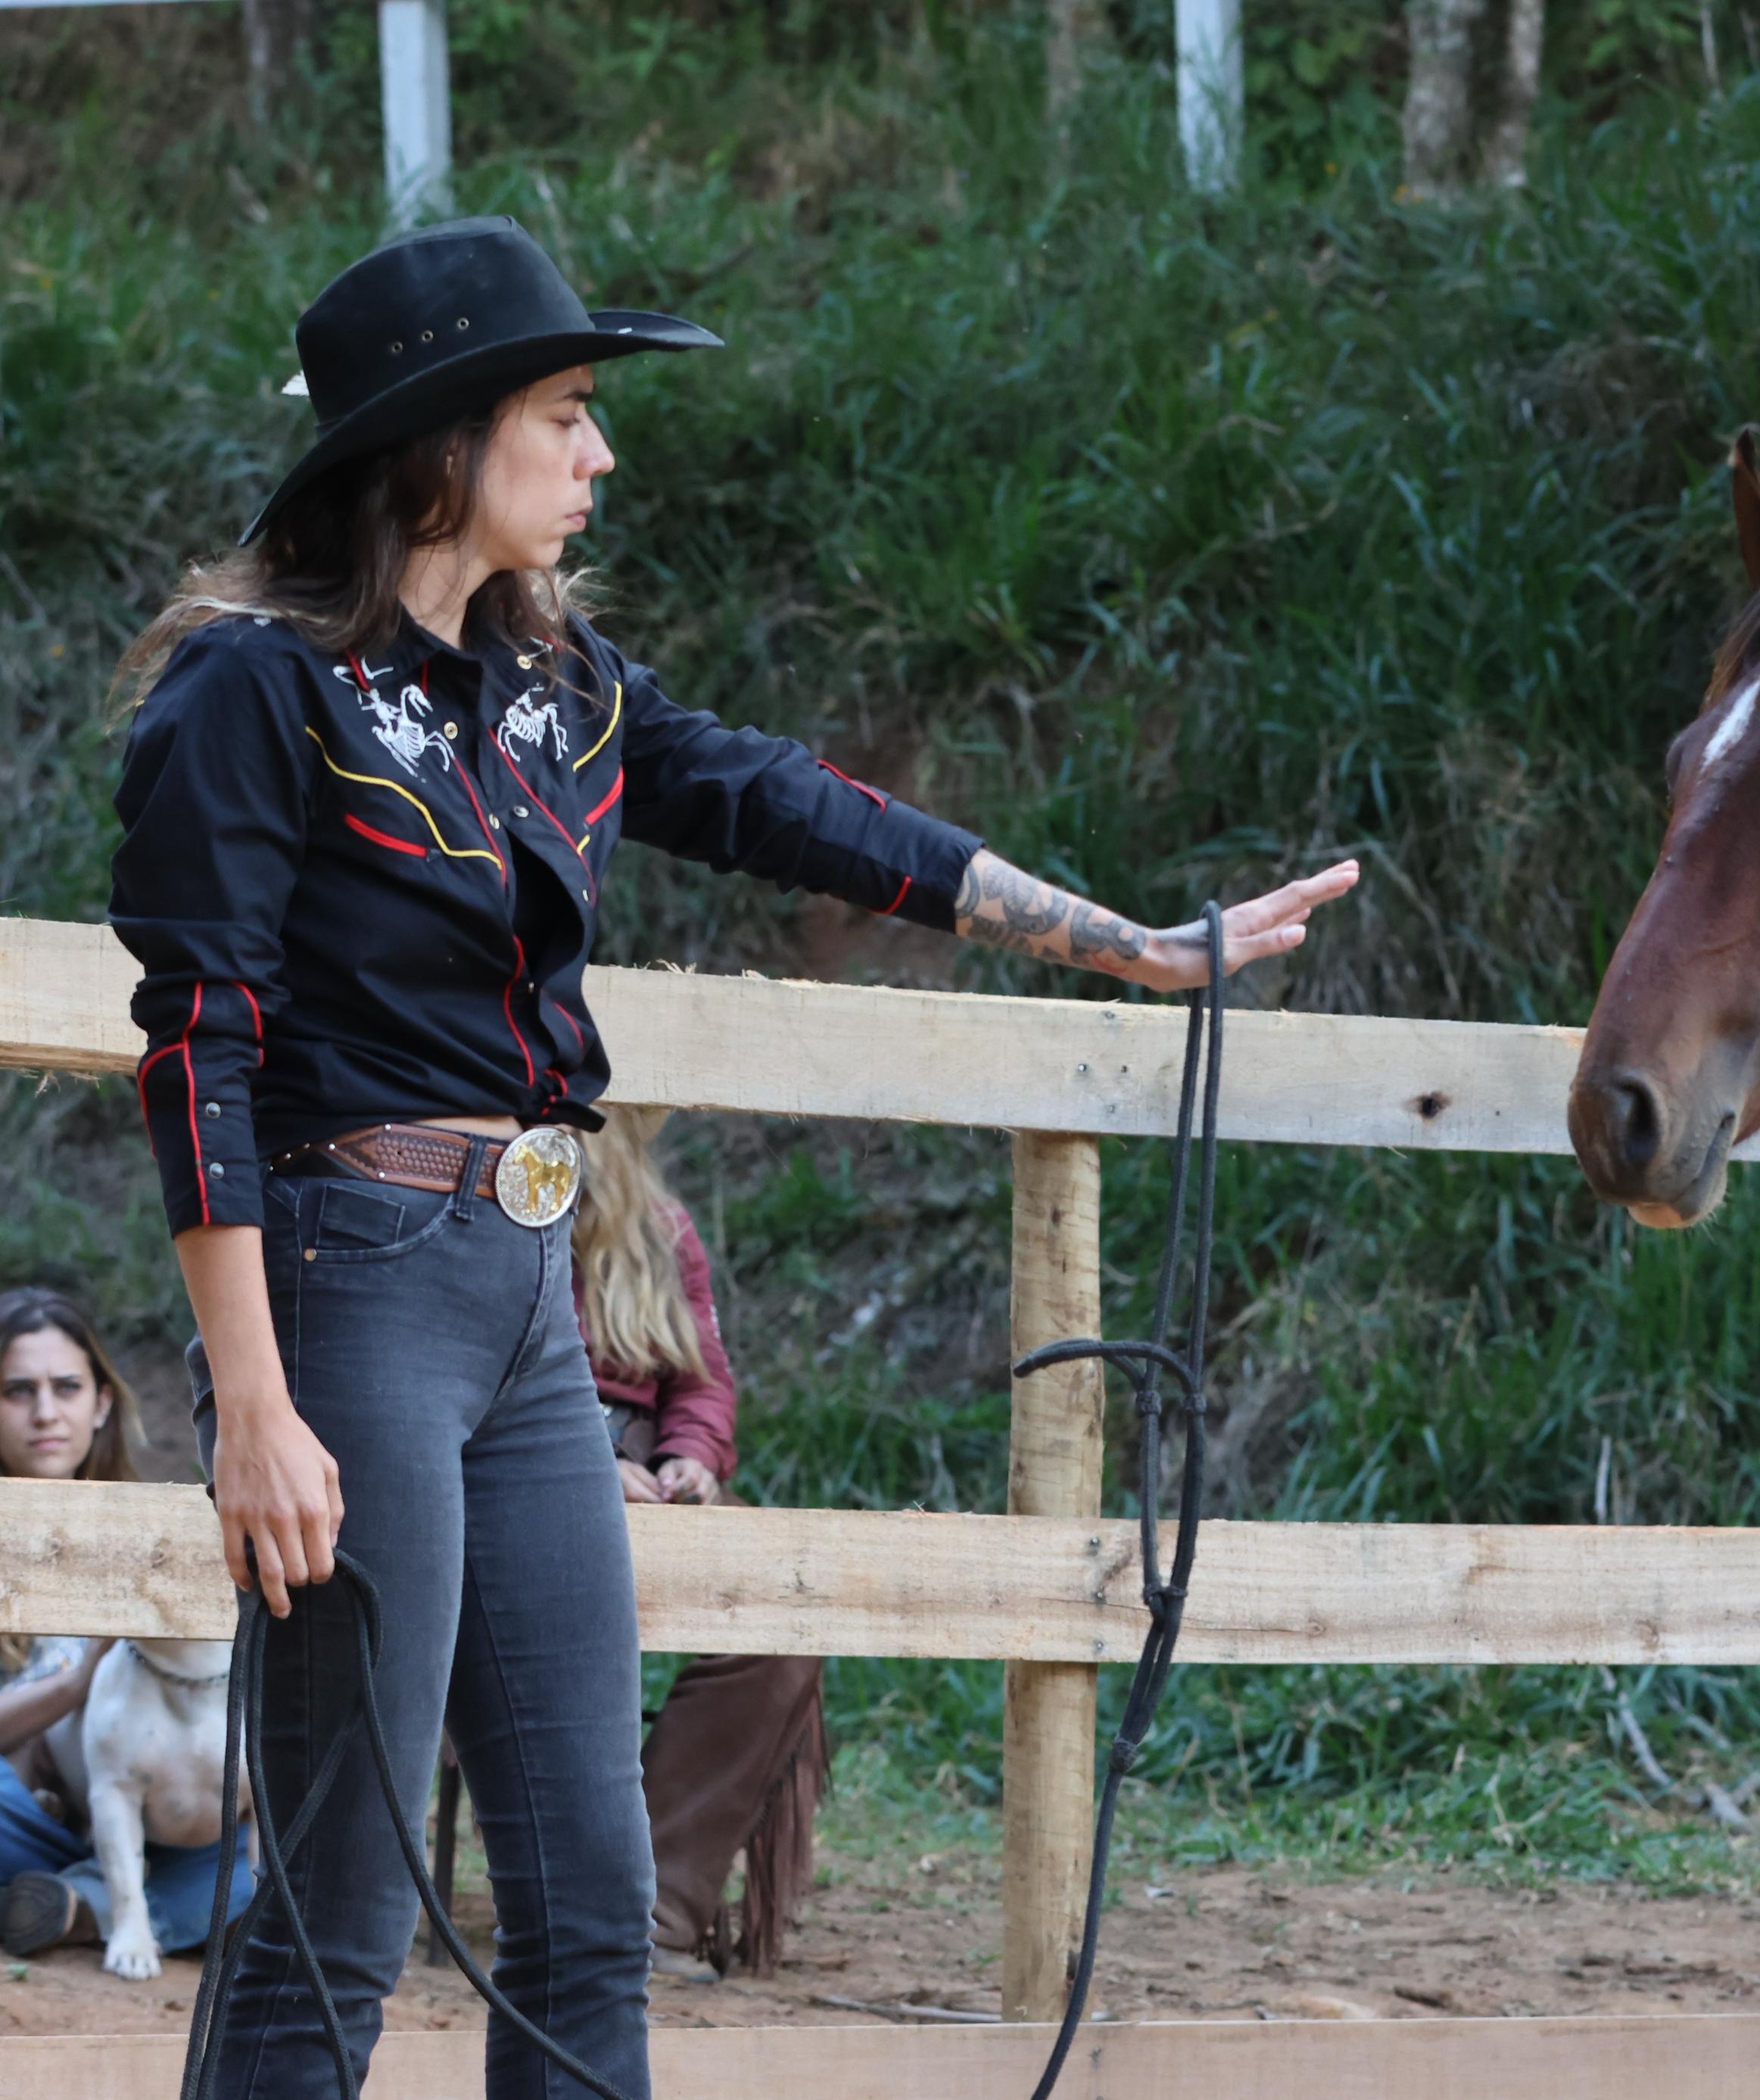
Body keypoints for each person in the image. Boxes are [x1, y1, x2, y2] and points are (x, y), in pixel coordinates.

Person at [107, 216, 1356, 2098]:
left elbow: (790, 805)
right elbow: (199, 1039)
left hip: (526, 1301)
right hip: (346, 1288)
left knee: (589, 1898)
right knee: (341, 1908)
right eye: (566, 411)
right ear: (441, 444)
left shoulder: (555, 687)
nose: (599, 453)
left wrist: (1124, 944)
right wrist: (255, 1405)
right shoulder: (254, 691)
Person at [571, 1105, 821, 1986]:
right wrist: (580, 1460)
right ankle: (574, 1886)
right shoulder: (485, 1190)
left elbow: (702, 1377)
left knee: (780, 1616)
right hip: (521, 1468)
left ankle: (652, 1909)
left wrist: (692, 1457)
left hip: (652, 1476)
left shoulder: (661, 1227)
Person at [0, 1286, 257, 1961]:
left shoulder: (158, 1530)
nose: (46, 1412)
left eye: (66, 1387)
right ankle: (132, 1905)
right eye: (18, 1391)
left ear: (101, 1402)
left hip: (174, 1822)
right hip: (28, 1818)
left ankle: (84, 1905)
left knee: (264, 1850)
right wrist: (73, 1685)